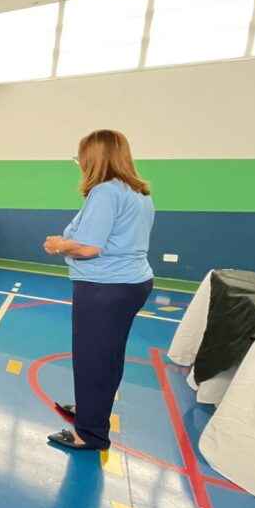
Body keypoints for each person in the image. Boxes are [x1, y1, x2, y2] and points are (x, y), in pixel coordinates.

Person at [43, 130, 155, 451]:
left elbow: (89, 247)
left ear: (93, 159)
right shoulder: (139, 192)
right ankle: (92, 410)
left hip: (105, 287)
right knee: (108, 356)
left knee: (92, 358)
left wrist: (58, 245)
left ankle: (90, 433)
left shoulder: (105, 192)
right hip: (132, 283)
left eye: (81, 158)